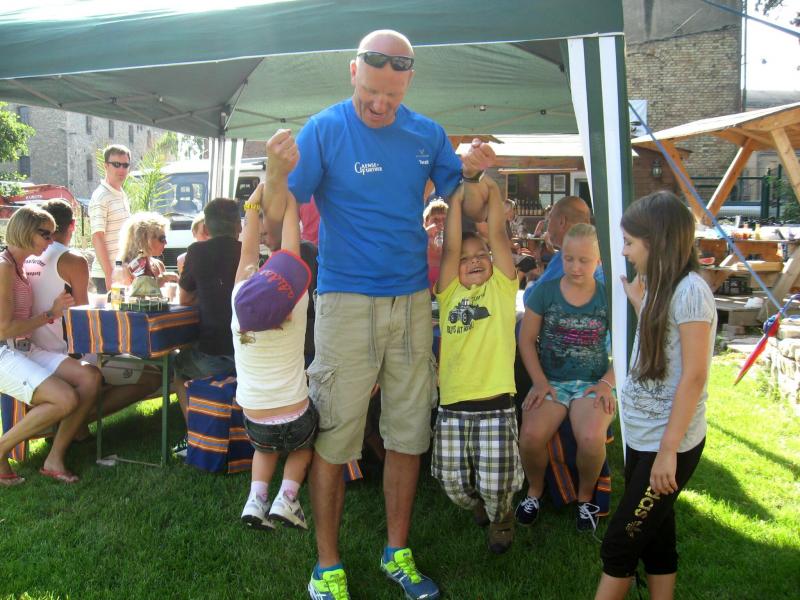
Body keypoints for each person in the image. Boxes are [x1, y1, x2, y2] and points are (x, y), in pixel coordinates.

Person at [275, 29, 496, 600]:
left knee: (408, 434)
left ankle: (397, 551)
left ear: (409, 83)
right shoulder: (324, 128)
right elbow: (282, 205)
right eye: (370, 91)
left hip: (412, 302)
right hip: (345, 302)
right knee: (334, 437)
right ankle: (327, 566)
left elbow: (468, 203)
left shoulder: (427, 133)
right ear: (353, 72)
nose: (379, 104)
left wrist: (475, 173)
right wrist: (274, 173)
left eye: (392, 96)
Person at [595, 192, 715, 600]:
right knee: (656, 536)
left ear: (656, 242)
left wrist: (668, 452)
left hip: (666, 445)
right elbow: (666, 345)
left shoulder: (691, 291)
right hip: (644, 438)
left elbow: (694, 376)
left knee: (620, 545)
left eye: (630, 243)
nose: (624, 252)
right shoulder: (662, 287)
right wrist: (640, 305)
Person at [432, 178, 523, 553]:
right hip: (453, 406)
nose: (473, 261)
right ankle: (479, 506)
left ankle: (501, 515)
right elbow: (451, 247)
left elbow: (498, 235)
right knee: (452, 482)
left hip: (496, 406)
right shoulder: (449, 292)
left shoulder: (501, 289)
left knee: (497, 482)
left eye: (481, 255)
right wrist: (454, 201)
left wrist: (495, 195)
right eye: (465, 259)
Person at [234, 131, 316, 531]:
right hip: (295, 413)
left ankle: (256, 500)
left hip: (254, 414)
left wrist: (252, 207)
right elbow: (289, 251)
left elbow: (248, 252)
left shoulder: (238, 305)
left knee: (264, 446)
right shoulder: (295, 308)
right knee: (304, 443)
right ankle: (287, 498)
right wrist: (289, 202)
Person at [516, 223, 616, 532]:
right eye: (569, 258)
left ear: (598, 260)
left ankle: (585, 498)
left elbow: (630, 349)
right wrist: (539, 381)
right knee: (530, 437)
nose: (575, 267)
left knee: (591, 437)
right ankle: (535, 490)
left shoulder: (608, 297)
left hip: (592, 383)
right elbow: (526, 340)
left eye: (584, 260)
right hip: (552, 381)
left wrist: (607, 383)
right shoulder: (545, 291)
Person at [24, 199, 160, 422]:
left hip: (34, 350)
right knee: (153, 375)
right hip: (68, 355)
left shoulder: (27, 256)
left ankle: (73, 421)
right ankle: (76, 420)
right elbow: (84, 318)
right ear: (73, 225)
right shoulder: (72, 260)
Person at [0, 206, 102, 485]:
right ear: (25, 231)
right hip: (4, 351)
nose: (51, 240)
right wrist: (52, 313)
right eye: (45, 234)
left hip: (23, 348)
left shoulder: (19, 265)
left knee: (90, 377)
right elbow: (4, 328)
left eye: (52, 233)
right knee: (65, 398)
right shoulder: (5, 266)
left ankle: (54, 459)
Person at [173, 198, 241, 456]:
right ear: (238, 226)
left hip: (213, 354)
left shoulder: (197, 252)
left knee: (179, 366)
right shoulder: (250, 253)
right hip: (248, 354)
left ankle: (195, 435)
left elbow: (184, 299)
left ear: (207, 227)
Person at [522, 195, 602, 305]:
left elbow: (531, 300)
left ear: (562, 221)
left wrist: (530, 282)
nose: (548, 227)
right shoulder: (596, 252)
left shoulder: (567, 257)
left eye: (549, 219)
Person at [90, 144, 132, 293]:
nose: (121, 169)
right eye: (116, 164)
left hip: (120, 273)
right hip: (107, 275)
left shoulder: (121, 194)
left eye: (125, 165)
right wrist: (109, 274)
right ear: (106, 166)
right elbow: (97, 237)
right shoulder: (101, 196)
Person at [117, 212, 178, 286]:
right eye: (162, 238)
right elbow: (134, 291)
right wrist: (159, 281)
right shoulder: (125, 269)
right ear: (144, 240)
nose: (165, 242)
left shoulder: (158, 265)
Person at [423, 199, 447, 291]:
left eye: (444, 220)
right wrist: (425, 234)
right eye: (435, 220)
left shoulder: (453, 243)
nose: (440, 224)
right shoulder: (418, 244)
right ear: (426, 222)